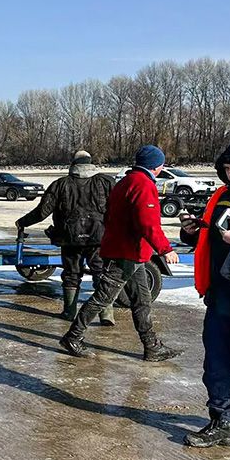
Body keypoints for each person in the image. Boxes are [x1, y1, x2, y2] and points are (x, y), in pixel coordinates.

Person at [59, 145, 182, 362]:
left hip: (128, 251)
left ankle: (151, 346)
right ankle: (73, 336)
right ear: (157, 166)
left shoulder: (125, 181)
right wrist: (165, 249)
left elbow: (109, 217)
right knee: (104, 295)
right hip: (127, 252)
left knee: (142, 299)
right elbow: (148, 223)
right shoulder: (143, 185)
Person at [181, 137, 230, 448]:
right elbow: (211, 237)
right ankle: (223, 423)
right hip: (221, 295)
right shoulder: (220, 195)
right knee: (217, 364)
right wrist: (192, 231)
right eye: (228, 168)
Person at [15, 150, 116, 322]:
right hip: (98, 238)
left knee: (71, 274)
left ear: (73, 164)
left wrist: (23, 222)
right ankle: (106, 314)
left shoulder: (60, 184)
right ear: (91, 163)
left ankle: (69, 312)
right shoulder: (106, 182)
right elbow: (119, 208)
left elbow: (42, 211)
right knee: (100, 273)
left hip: (69, 239)